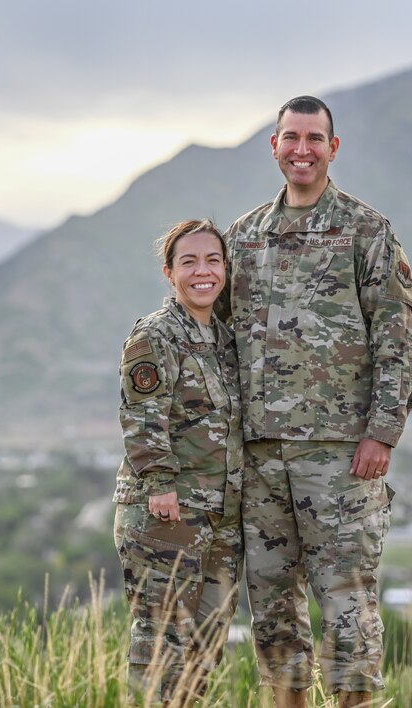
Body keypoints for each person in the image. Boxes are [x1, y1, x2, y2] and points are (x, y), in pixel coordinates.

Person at [217, 95, 412, 708]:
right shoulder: (244, 238)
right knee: (274, 609)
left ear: (333, 148)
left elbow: (401, 338)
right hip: (260, 460)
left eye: (314, 138)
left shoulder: (366, 232)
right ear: (274, 146)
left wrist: (382, 433)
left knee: (345, 603)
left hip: (340, 457)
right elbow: (221, 339)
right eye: (290, 137)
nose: (301, 149)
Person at [113, 219, 244, 705]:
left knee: (206, 650)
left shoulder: (226, 344)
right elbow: (141, 415)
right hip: (167, 515)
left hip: (220, 518)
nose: (202, 271)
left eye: (212, 260)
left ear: (226, 269)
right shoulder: (156, 335)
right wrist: (160, 484)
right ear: (170, 273)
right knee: (162, 646)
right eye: (189, 262)